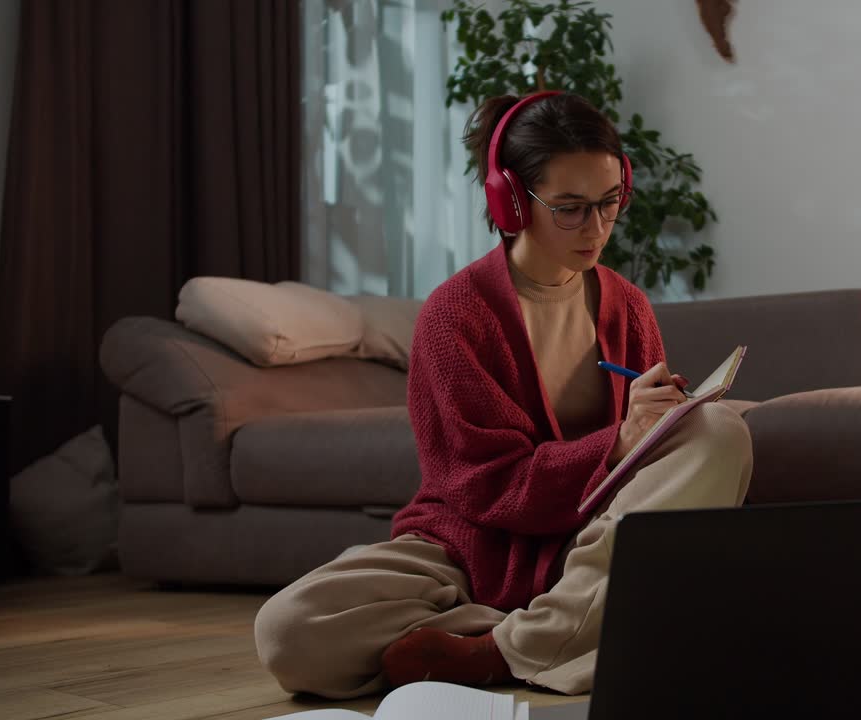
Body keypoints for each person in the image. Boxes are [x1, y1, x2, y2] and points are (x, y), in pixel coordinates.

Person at [253, 91, 752, 699]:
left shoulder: (629, 306)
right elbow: (487, 486)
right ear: (511, 201)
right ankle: (560, 633)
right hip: (467, 548)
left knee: (721, 430)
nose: (595, 228)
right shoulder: (454, 315)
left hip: (586, 542)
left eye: (608, 203)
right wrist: (617, 441)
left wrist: (657, 427)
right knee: (290, 632)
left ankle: (497, 651)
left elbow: (643, 477)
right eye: (569, 209)